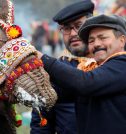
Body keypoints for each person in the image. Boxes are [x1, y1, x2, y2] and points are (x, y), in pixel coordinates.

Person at [40, 14, 126, 134]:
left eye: (102, 38)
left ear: (122, 40)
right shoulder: (93, 69)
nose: (96, 44)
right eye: (91, 40)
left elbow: (85, 83)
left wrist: (41, 58)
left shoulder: (122, 63)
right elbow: (59, 94)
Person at [30, 1, 94, 134]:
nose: (72, 34)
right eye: (66, 29)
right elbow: (41, 125)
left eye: (78, 26)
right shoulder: (51, 73)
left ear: (92, 27)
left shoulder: (112, 63)